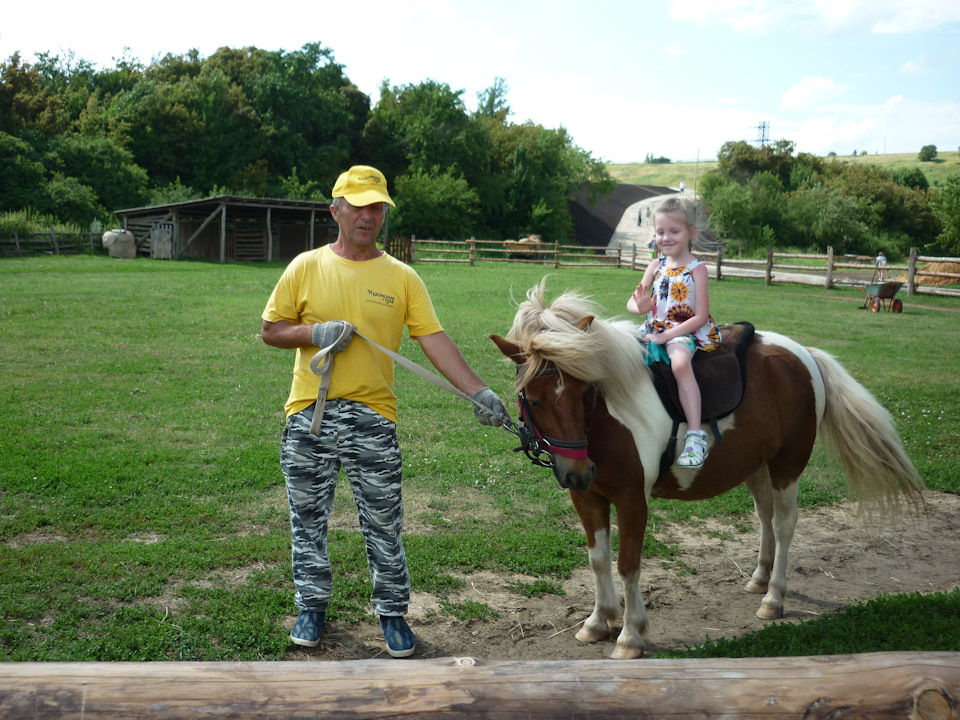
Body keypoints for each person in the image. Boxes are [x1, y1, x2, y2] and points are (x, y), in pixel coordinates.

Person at [260, 165, 508, 658]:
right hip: (310, 415)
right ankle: (311, 606)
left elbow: (433, 341)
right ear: (336, 210)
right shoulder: (305, 267)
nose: (368, 215)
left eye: (377, 207)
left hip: (374, 420)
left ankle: (392, 613)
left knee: (384, 523)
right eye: (358, 205)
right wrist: (315, 333)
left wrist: (478, 392)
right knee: (307, 520)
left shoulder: (402, 277)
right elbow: (270, 330)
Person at [626, 197, 720, 468]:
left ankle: (695, 437)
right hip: (651, 328)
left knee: (679, 364)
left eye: (674, 231)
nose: (665, 238)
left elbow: (700, 315)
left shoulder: (697, 269)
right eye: (660, 232)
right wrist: (639, 306)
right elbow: (633, 303)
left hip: (682, 330)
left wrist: (667, 337)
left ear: (691, 233)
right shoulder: (654, 266)